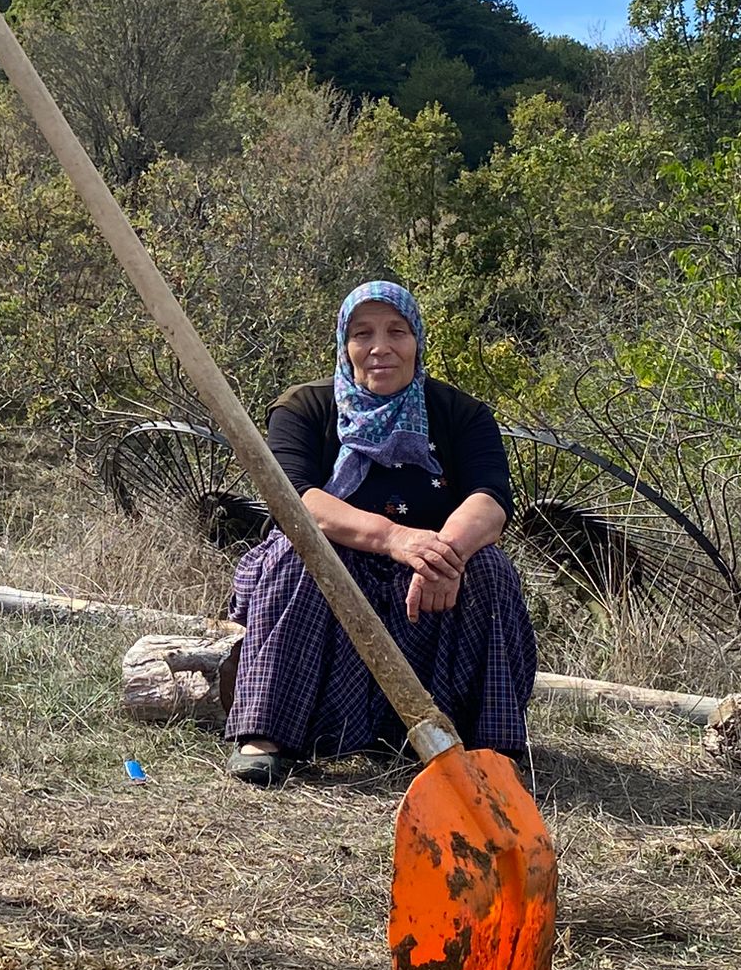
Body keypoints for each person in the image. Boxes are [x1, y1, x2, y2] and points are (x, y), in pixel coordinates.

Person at [224, 281, 536, 787]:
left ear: (418, 340)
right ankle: (267, 736)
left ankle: (490, 749)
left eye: (396, 331)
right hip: (338, 562)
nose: (380, 347)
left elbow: (491, 501)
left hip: (431, 575)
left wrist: (444, 554)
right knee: (297, 553)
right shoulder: (304, 408)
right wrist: (395, 538)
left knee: (492, 569)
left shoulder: (462, 414)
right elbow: (296, 500)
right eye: (362, 333)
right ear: (344, 345)